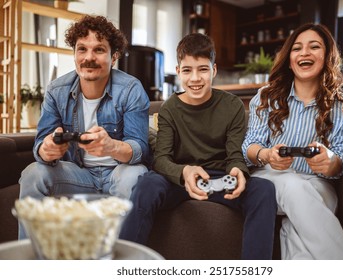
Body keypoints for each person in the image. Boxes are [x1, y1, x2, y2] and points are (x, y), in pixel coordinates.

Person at [119, 33, 277, 259]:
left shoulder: (232, 105)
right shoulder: (169, 108)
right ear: (178, 71)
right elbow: (162, 159)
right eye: (187, 70)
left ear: (213, 70)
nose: (195, 78)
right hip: (180, 179)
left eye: (202, 69)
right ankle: (122, 265)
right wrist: (184, 172)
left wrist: (238, 171)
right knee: (147, 185)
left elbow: (234, 155)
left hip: (220, 178)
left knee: (264, 189)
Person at [18, 15, 150, 238]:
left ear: (114, 56)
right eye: (82, 49)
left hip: (118, 173)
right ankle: (32, 263)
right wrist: (47, 149)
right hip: (78, 175)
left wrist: (111, 147)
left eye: (99, 50)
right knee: (33, 173)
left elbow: (140, 149)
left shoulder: (130, 89)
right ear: (74, 54)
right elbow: (41, 144)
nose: (89, 58)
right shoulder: (56, 90)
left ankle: (115, 263)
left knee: (133, 176)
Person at [242, 23, 343, 260]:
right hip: (270, 179)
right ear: (289, 58)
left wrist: (331, 160)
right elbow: (249, 146)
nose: (304, 53)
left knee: (297, 229)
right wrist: (267, 155)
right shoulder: (267, 97)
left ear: (326, 56)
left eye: (314, 47)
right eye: (297, 49)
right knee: (293, 184)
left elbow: (340, 159)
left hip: (319, 184)